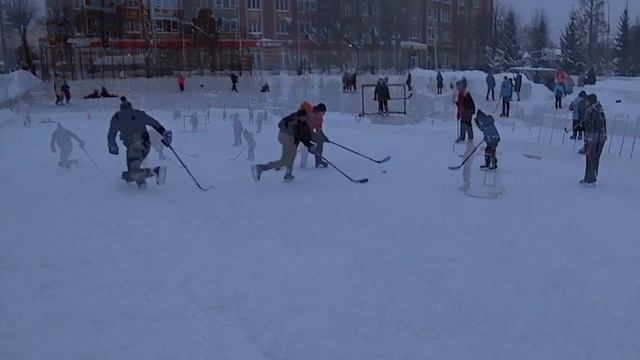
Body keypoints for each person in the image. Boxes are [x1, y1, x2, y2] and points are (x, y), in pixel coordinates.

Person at [107, 97, 171, 189]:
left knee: (133, 173)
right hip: (145, 144)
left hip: (135, 145)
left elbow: (111, 134)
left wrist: (112, 146)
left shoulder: (117, 117)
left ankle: (156, 171)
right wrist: (163, 133)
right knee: (133, 168)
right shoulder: (138, 114)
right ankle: (141, 185)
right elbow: (154, 123)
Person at [251, 102, 316, 182]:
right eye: (309, 112)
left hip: (284, 137)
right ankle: (261, 168)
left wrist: (309, 144)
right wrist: (309, 145)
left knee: (292, 155)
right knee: (285, 160)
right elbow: (303, 136)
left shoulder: (294, 116)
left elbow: (281, 124)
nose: (309, 114)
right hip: (289, 139)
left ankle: (288, 174)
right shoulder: (302, 120)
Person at [581, 94, 607, 185]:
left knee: (590, 157)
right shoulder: (599, 108)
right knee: (596, 158)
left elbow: (590, 126)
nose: (586, 102)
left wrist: (588, 141)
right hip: (602, 137)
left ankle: (589, 179)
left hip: (594, 138)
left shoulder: (590, 110)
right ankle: (594, 175)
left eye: (587, 100)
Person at [309, 103, 329, 168]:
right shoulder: (310, 114)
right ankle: (311, 149)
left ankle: (318, 160)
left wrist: (324, 138)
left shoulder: (319, 118)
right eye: (323, 112)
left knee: (320, 141)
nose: (324, 114)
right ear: (319, 111)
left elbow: (319, 130)